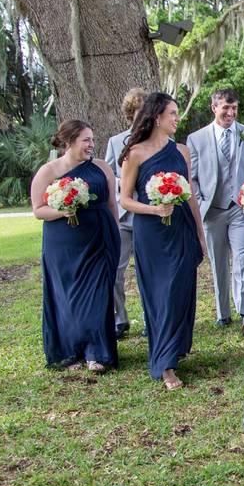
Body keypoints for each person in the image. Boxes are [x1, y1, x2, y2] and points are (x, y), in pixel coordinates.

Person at [119, 93, 205, 390]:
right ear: (156, 117)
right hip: (151, 234)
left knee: (180, 291)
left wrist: (200, 233)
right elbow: (125, 200)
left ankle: (175, 348)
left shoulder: (181, 151)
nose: (177, 118)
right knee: (160, 295)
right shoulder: (135, 153)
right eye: (172, 113)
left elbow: (190, 194)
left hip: (181, 227)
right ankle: (164, 364)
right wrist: (154, 208)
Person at [31, 120, 120, 372]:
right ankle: (72, 350)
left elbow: (112, 205)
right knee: (68, 297)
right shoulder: (49, 171)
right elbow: (38, 210)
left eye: (92, 139)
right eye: (86, 140)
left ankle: (96, 352)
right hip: (64, 245)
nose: (92, 145)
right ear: (69, 142)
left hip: (100, 240)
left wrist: (114, 232)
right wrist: (62, 210)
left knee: (98, 294)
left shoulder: (102, 168)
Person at [186, 89, 244, 335]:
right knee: (218, 262)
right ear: (214, 107)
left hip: (241, 209)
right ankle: (223, 312)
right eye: (226, 108)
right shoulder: (196, 139)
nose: (230, 113)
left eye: (234, 109)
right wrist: (201, 201)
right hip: (212, 210)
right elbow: (192, 177)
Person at [104, 87, 147, 339]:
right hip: (122, 215)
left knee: (147, 271)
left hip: (149, 214)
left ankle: (149, 319)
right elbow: (107, 177)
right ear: (131, 113)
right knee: (117, 269)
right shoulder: (115, 142)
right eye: (139, 111)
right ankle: (120, 318)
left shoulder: (157, 141)